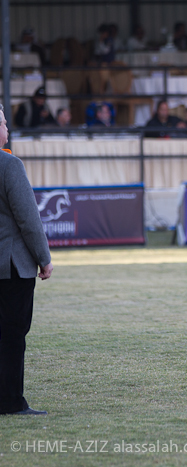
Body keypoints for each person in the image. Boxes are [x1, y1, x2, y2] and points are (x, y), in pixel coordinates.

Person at [0, 104, 53, 416]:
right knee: (12, 335)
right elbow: (29, 219)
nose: (7, 129)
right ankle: (10, 401)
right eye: (4, 124)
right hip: (11, 266)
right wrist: (44, 258)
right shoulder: (9, 165)